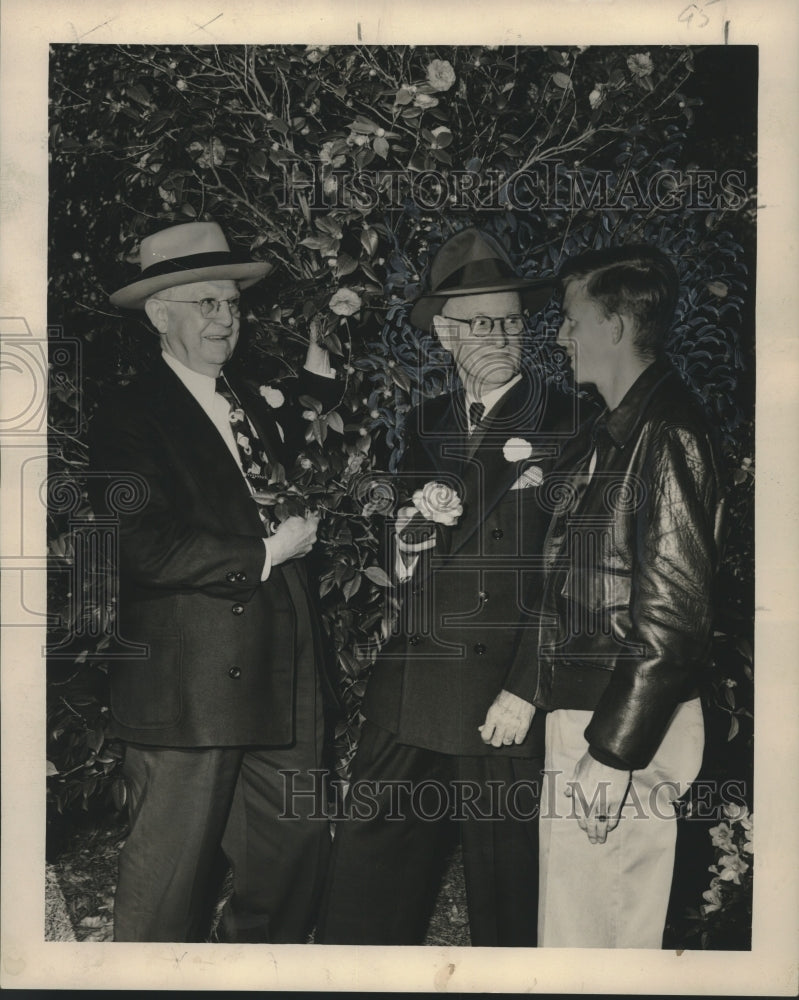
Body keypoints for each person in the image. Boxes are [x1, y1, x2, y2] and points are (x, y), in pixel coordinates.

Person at [316, 227, 579, 946]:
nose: (501, 337)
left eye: (511, 321)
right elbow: (403, 551)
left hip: (501, 697)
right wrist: (406, 540)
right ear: (444, 333)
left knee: (508, 903)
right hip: (413, 682)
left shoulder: (571, 420)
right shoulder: (423, 422)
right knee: (365, 887)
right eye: (480, 323)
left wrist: (526, 688)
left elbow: (576, 573)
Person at [88, 221, 341, 943]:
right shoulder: (130, 416)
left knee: (291, 852)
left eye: (231, 303)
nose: (225, 318)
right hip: (190, 684)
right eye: (205, 303)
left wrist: (322, 369)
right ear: (158, 314)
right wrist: (264, 552)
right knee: (170, 881)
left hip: (280, 668)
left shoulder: (246, 400)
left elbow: (299, 440)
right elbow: (141, 544)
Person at [520, 243, 725, 948]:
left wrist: (612, 753)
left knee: (599, 945)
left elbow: (673, 614)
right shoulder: (615, 431)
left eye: (571, 319)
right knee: (575, 937)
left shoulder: (666, 433)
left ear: (612, 327)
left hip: (622, 723)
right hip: (596, 712)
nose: (560, 336)